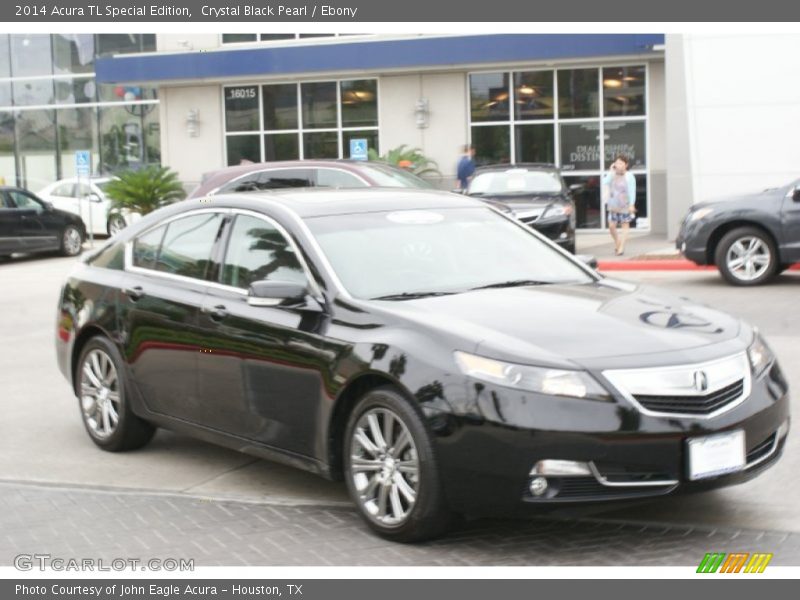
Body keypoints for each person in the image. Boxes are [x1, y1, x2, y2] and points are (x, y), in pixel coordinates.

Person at [602, 154, 637, 256]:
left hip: (625, 204)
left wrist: (632, 204)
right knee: (611, 226)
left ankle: (621, 247)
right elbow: (605, 182)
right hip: (613, 204)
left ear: (626, 165)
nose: (618, 165)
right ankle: (617, 242)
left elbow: (632, 191)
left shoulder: (629, 176)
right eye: (617, 163)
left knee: (625, 225)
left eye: (621, 163)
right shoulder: (612, 174)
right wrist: (611, 171)